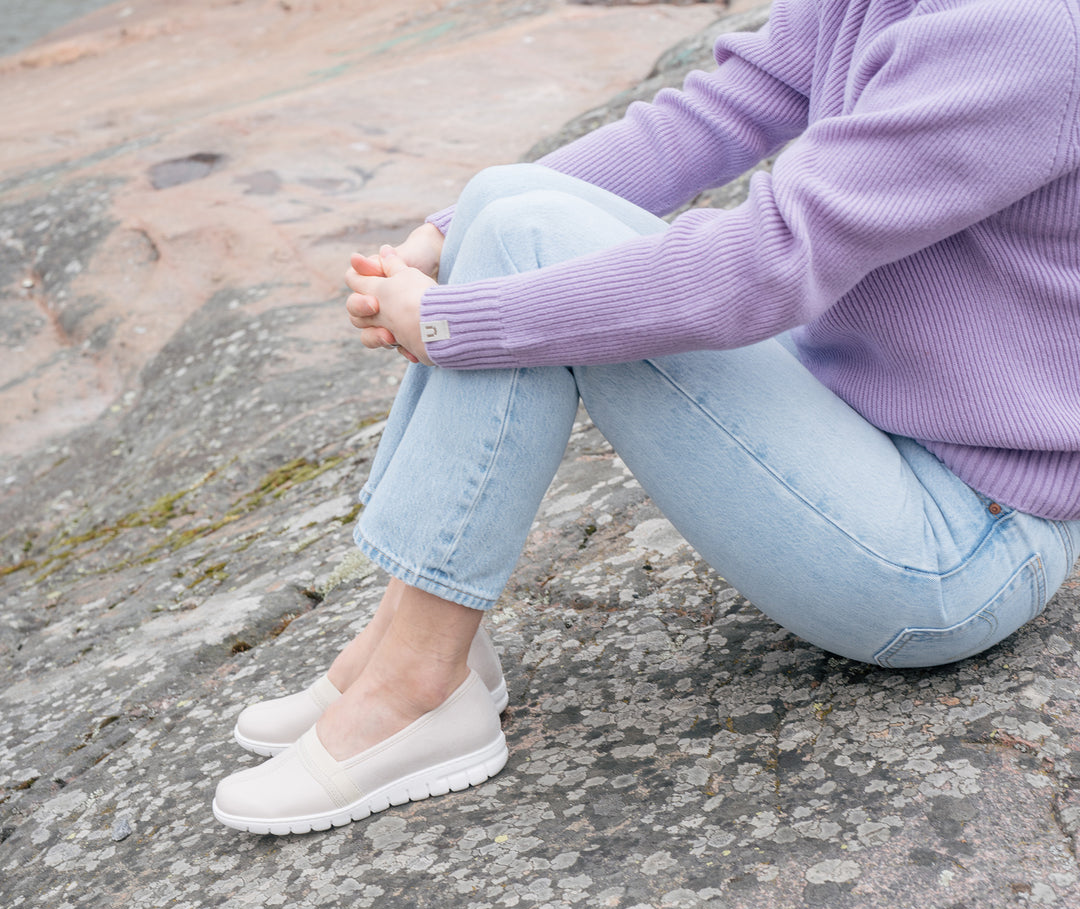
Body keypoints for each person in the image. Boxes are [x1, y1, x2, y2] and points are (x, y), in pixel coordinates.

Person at [212, 0, 1080, 835]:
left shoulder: (1022, 29)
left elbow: (769, 262)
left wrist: (452, 323)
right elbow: (720, 112)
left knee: (528, 244)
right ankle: (416, 640)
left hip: (961, 540)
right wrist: (446, 235)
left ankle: (418, 683)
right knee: (507, 200)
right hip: (858, 429)